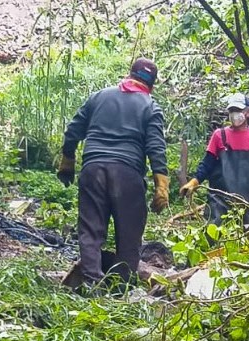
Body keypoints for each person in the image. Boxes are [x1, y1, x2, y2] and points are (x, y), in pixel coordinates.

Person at [57, 57, 169, 286]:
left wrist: (68, 159)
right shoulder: (150, 106)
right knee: (129, 234)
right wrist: (162, 186)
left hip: (93, 169)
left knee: (90, 229)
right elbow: (156, 148)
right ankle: (121, 287)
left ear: (130, 74)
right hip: (127, 174)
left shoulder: (99, 96)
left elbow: (73, 130)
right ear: (152, 84)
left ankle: (91, 283)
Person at [179, 92, 249, 225]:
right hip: (220, 201)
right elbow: (207, 164)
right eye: (231, 110)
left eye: (237, 110)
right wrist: (194, 182)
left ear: (247, 112)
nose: (234, 114)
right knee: (215, 235)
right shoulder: (219, 136)